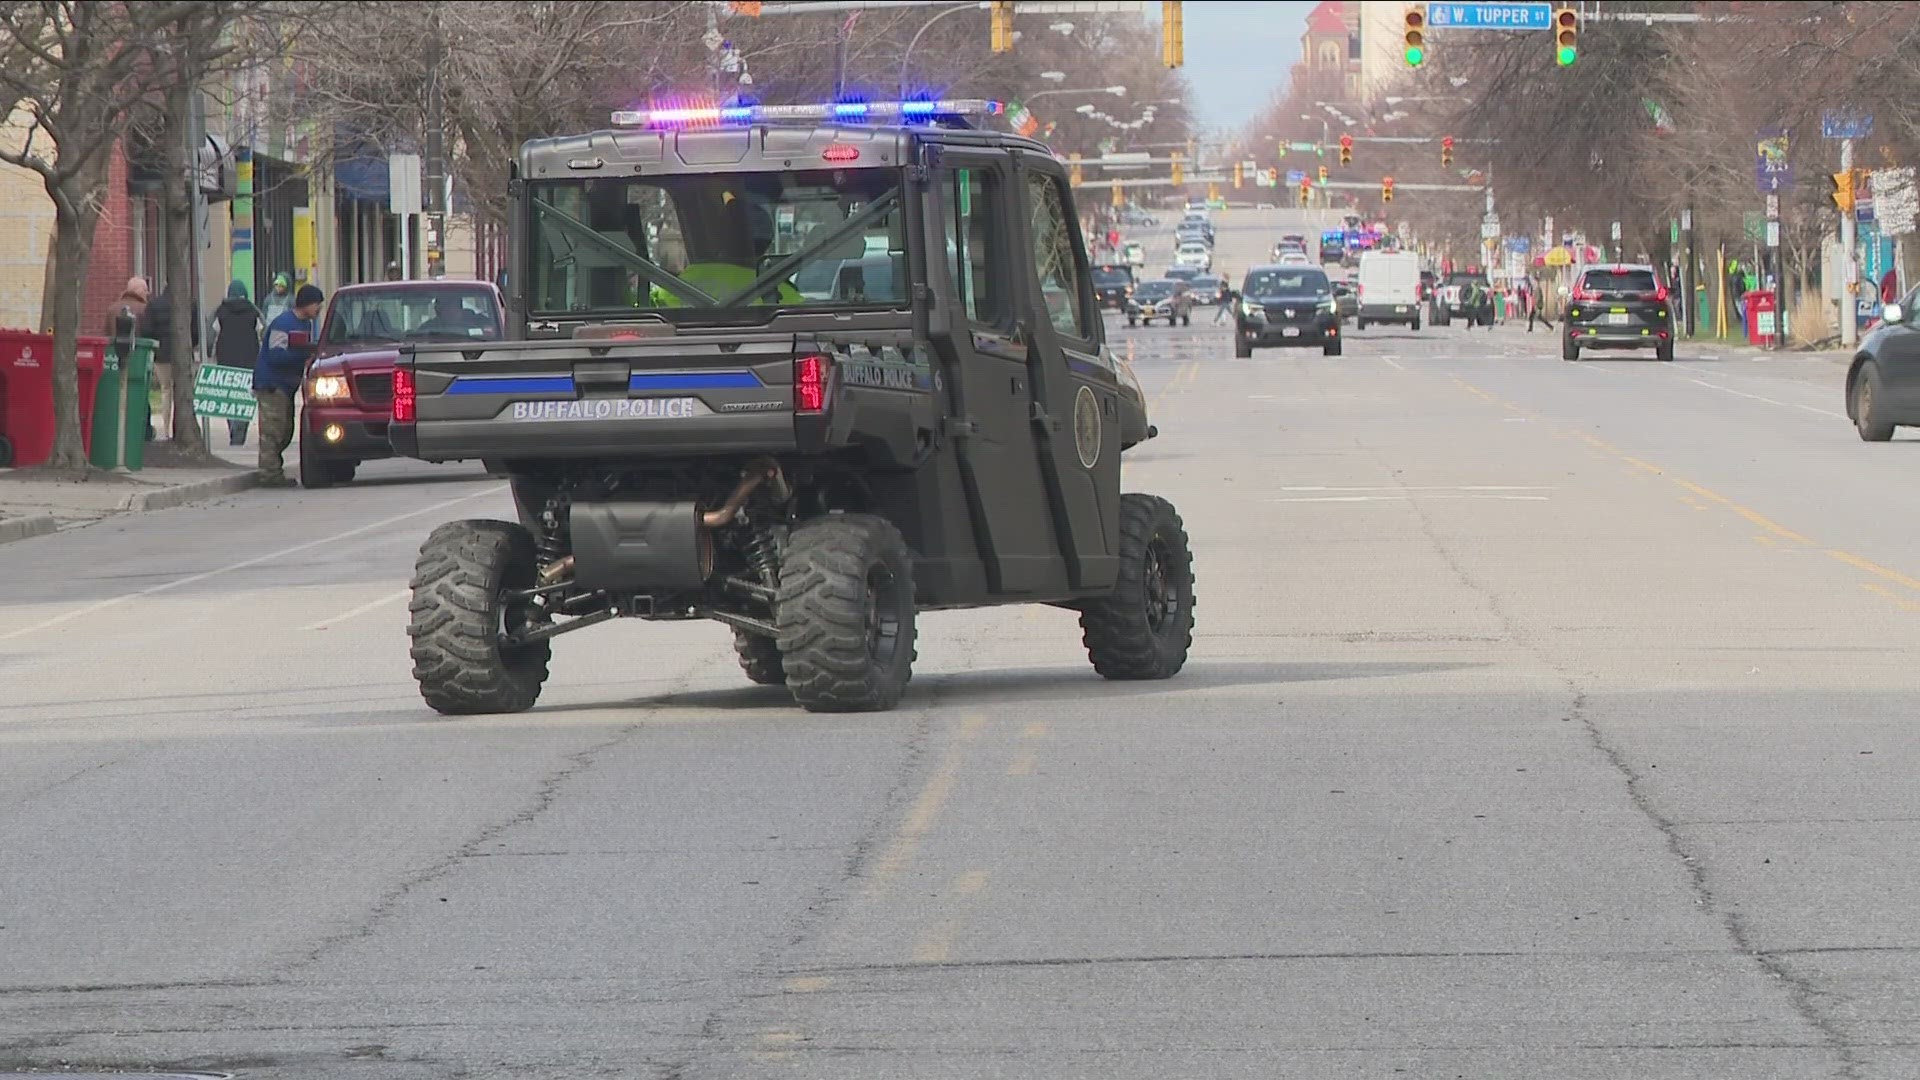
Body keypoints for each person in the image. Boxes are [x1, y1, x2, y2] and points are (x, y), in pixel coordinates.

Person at [253, 283, 323, 487]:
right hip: (272, 385)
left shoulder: (305, 325)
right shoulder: (283, 324)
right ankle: (269, 474)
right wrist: (302, 356)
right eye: (316, 304)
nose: (318, 309)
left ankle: (273, 468)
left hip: (287, 386)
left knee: (285, 431)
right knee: (273, 431)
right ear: (306, 304)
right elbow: (276, 355)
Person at [212, 280, 263, 446]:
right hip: (249, 360)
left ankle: (233, 426)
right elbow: (264, 332)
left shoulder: (221, 311)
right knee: (244, 397)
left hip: (226, 360)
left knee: (229, 397)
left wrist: (209, 353)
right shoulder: (253, 311)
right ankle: (240, 430)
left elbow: (211, 334)